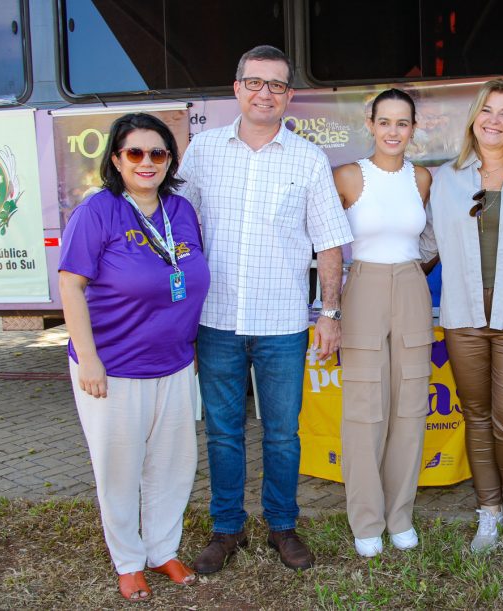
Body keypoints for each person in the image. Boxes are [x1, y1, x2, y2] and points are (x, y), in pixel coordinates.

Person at [177, 45, 353, 572]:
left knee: (282, 432)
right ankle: (226, 529)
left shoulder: (308, 159)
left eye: (276, 85)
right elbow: (180, 233)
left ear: (289, 96)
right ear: (236, 88)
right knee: (224, 432)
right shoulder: (203, 152)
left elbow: (329, 245)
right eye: (255, 82)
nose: (265, 93)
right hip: (217, 320)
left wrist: (329, 313)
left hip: (281, 324)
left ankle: (282, 526)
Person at [58, 113, 210, 602]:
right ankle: (128, 561)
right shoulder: (97, 212)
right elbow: (70, 285)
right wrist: (88, 359)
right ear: (117, 160)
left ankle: (163, 549)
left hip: (174, 362)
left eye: (158, 153)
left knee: (173, 466)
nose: (147, 162)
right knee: (119, 468)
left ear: (170, 159)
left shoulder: (181, 210)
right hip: (114, 366)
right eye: (135, 153)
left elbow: (186, 277)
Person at [421, 79, 503, 553]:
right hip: (465, 315)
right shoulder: (448, 178)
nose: (494, 121)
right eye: (487, 111)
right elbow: (426, 245)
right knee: (476, 416)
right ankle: (489, 512)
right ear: (474, 118)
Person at [332, 89, 434, 558]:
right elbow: (326, 242)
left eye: (404, 123)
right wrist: (327, 310)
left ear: (414, 128)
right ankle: (367, 520)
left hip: (412, 286)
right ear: (370, 124)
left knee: (410, 406)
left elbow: (429, 240)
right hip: (365, 285)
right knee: (364, 409)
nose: (394, 132)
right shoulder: (349, 177)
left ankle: (401, 516)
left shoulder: (424, 179)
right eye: (385, 122)